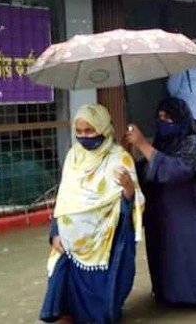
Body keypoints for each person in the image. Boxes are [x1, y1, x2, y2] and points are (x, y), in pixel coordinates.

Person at [39, 104, 145, 323]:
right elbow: (64, 198)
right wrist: (55, 232)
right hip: (68, 246)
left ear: (104, 128)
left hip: (102, 246)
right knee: (62, 300)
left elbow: (134, 205)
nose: (83, 136)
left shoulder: (120, 159)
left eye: (89, 131)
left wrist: (128, 189)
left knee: (98, 311)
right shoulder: (73, 156)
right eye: (79, 131)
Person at [125, 98, 196, 309]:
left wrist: (142, 144)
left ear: (181, 119)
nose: (164, 122)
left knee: (184, 260)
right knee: (162, 261)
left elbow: (175, 170)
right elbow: (142, 172)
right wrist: (129, 149)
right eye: (160, 118)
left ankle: (191, 301)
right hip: (159, 217)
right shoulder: (162, 144)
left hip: (184, 217)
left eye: (169, 118)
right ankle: (165, 297)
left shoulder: (194, 144)